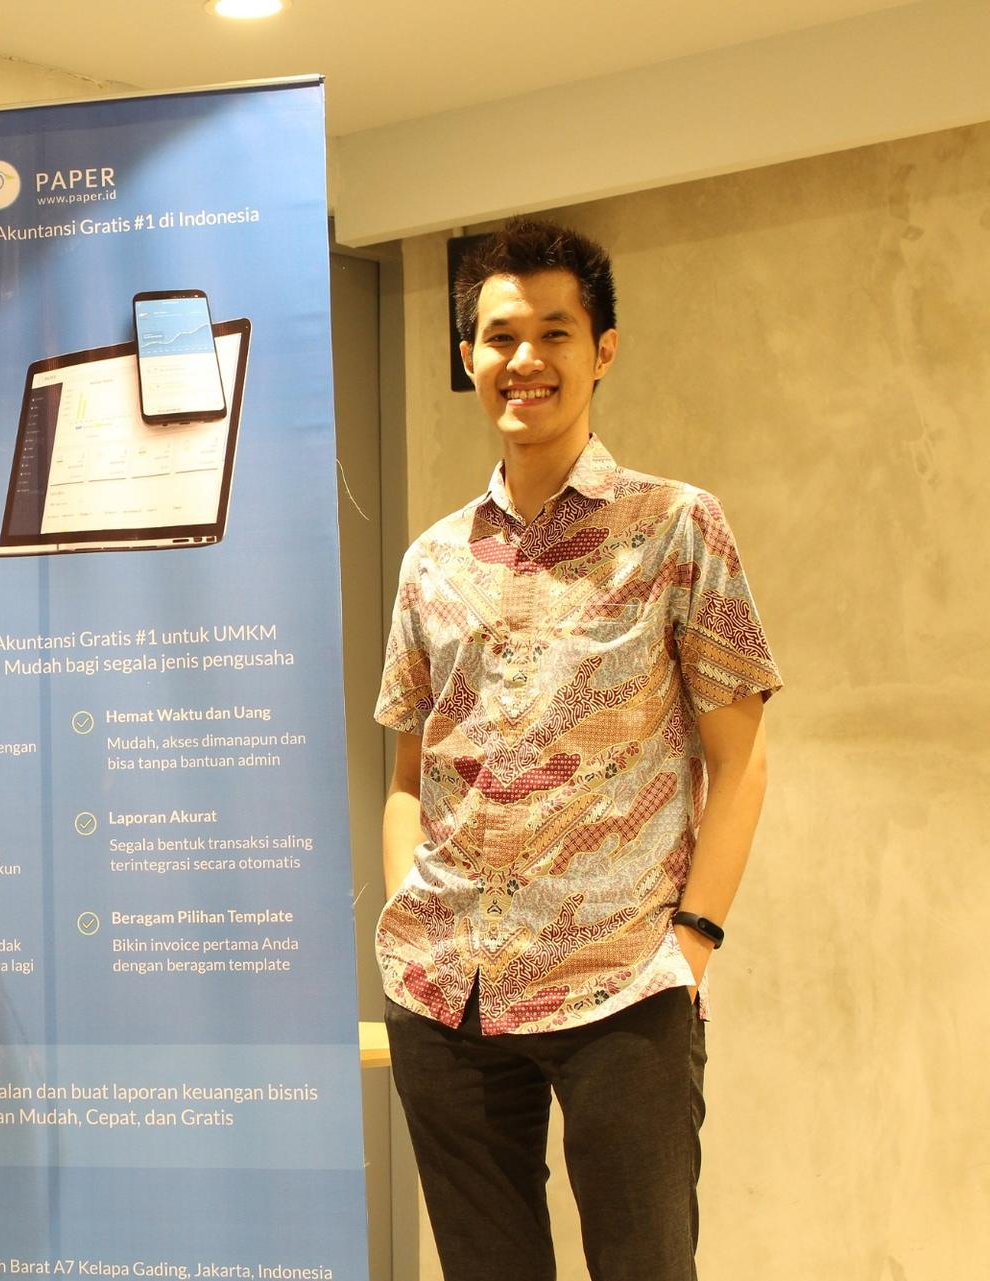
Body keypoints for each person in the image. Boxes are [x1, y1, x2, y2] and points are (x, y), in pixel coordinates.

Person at [374, 219, 780, 1281]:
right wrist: (410, 923)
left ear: (602, 350)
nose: (526, 359)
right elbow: (411, 778)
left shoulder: (677, 528)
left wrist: (692, 942)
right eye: (501, 336)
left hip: (623, 989)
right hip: (448, 997)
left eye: (555, 333)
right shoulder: (432, 563)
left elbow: (741, 759)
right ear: (469, 356)